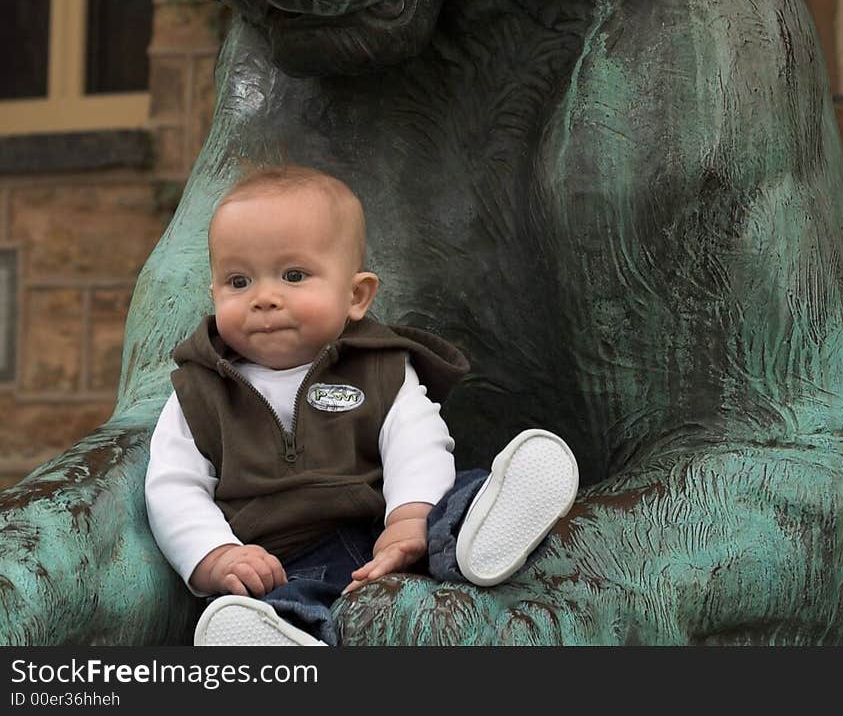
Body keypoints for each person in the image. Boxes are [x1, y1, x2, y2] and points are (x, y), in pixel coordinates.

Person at [145, 164, 579, 647]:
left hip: (387, 523)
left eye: (293, 275)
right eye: (238, 282)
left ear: (356, 295)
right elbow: (172, 487)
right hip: (286, 555)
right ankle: (278, 639)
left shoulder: (378, 365)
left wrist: (408, 520)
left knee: (458, 492)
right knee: (276, 601)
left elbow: (417, 443)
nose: (264, 298)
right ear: (213, 294)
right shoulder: (199, 390)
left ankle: (482, 532)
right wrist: (216, 555)